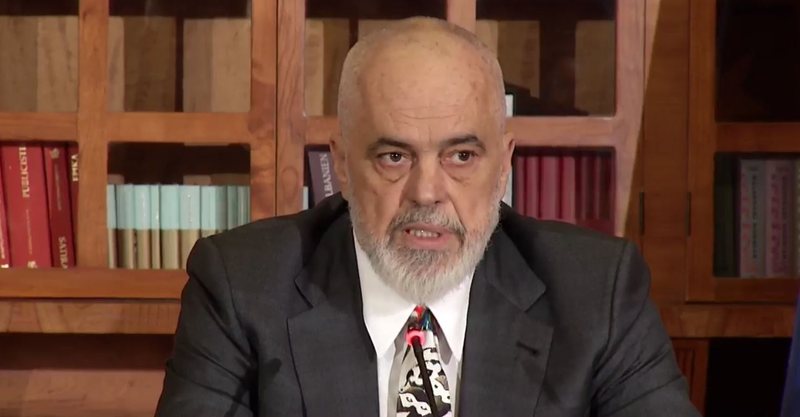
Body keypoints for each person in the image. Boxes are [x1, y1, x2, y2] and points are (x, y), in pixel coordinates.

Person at [155, 17, 701, 417]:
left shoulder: (596, 292)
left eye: (461, 156)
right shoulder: (243, 286)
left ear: (504, 164)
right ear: (341, 164)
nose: (427, 192)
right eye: (394, 157)